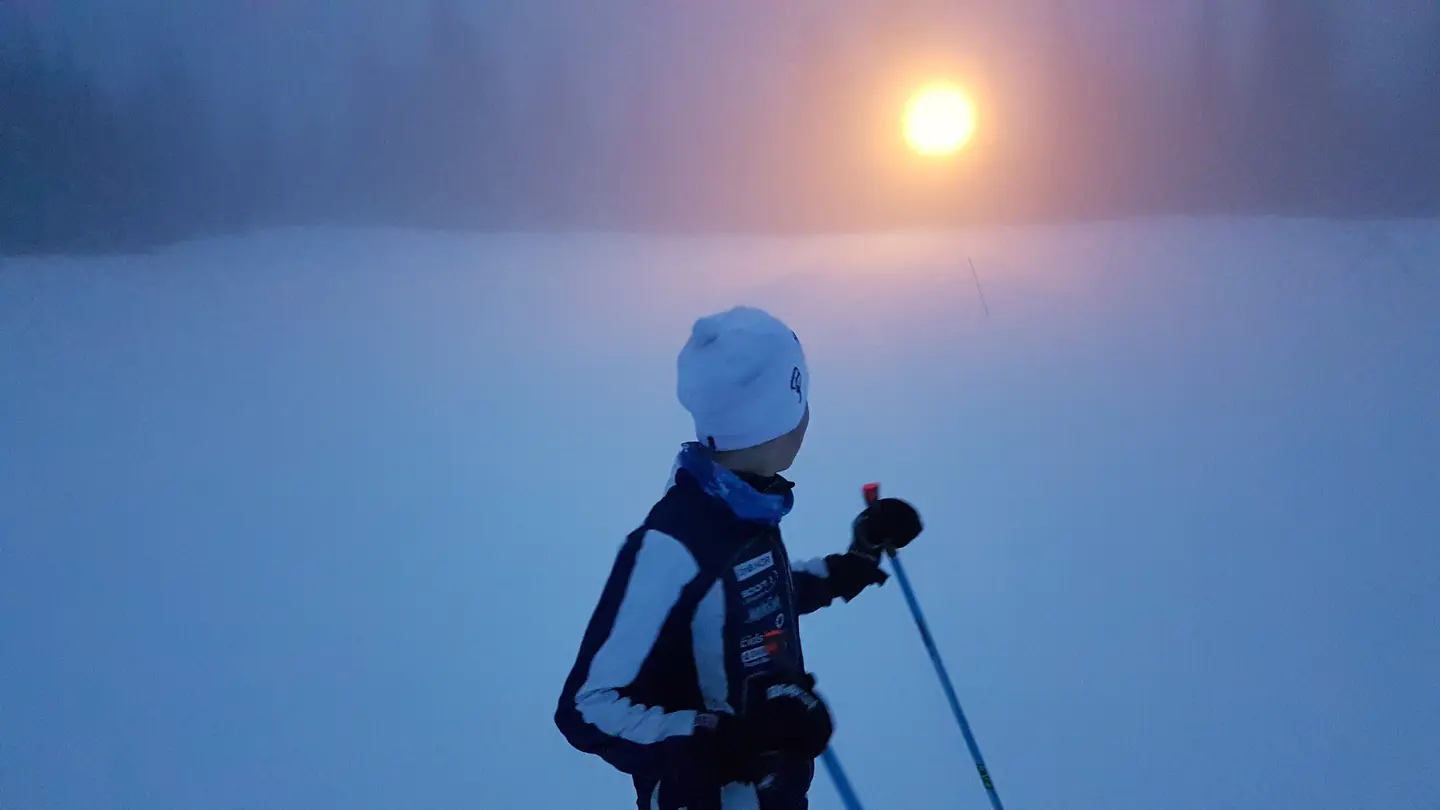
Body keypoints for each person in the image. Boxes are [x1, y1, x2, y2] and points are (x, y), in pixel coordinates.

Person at [554, 305, 923, 810]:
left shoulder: (745, 504)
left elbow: (739, 599)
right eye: (801, 401)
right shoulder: (670, 546)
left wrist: (850, 564)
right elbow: (586, 706)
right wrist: (721, 736)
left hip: (777, 790)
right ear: (774, 424)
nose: (808, 415)